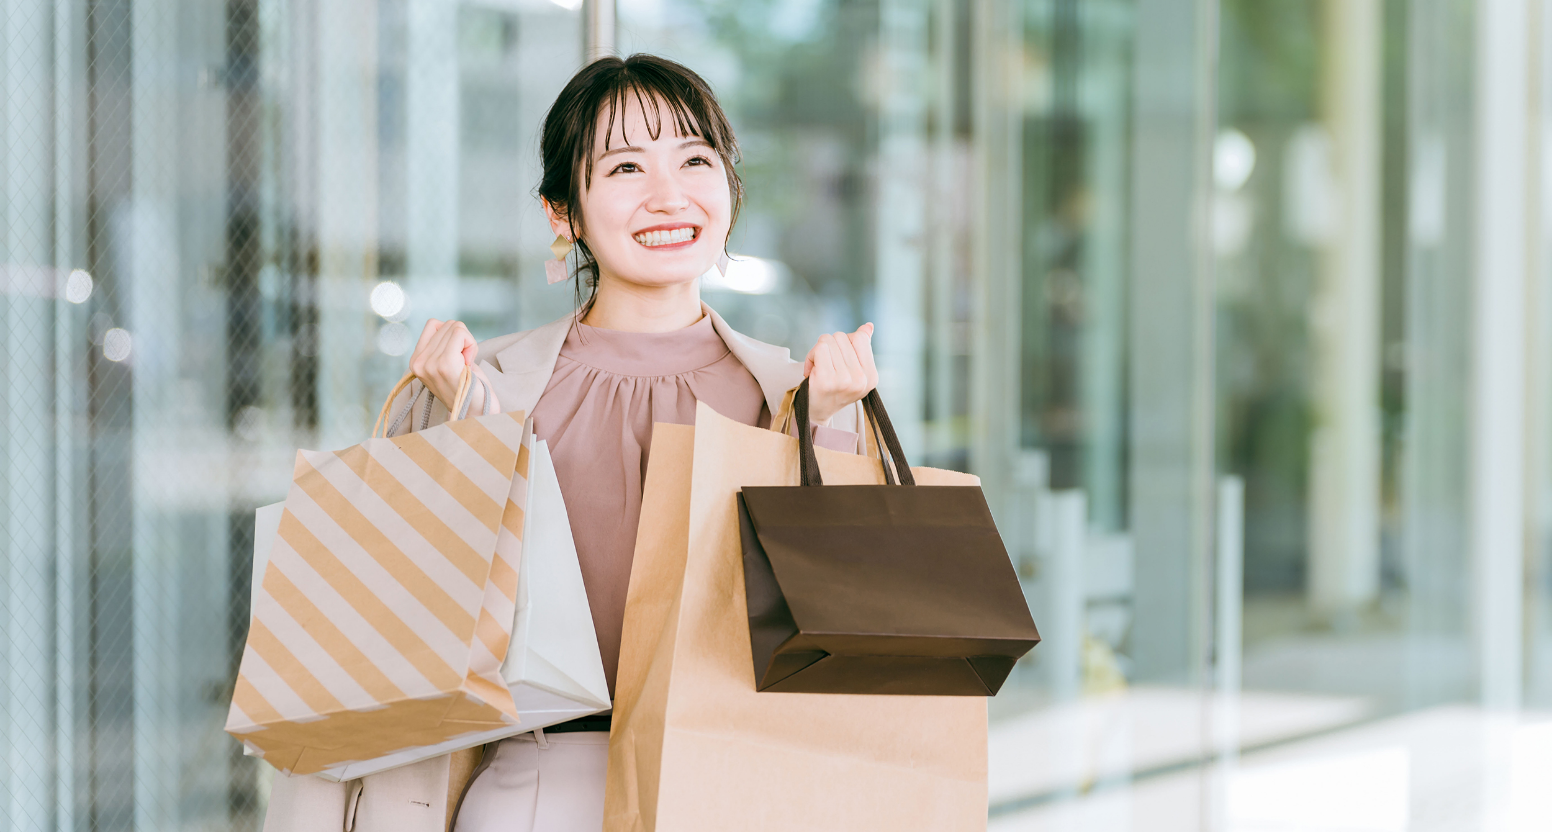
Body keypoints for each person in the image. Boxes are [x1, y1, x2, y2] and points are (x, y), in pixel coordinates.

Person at [260, 54, 880, 832]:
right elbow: (413, 625)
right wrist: (459, 426)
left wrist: (820, 426)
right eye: (625, 166)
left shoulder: (796, 392)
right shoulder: (487, 384)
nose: (669, 194)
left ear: (729, 188)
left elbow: (835, 635)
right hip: (540, 787)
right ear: (564, 213)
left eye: (695, 159)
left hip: (737, 782)